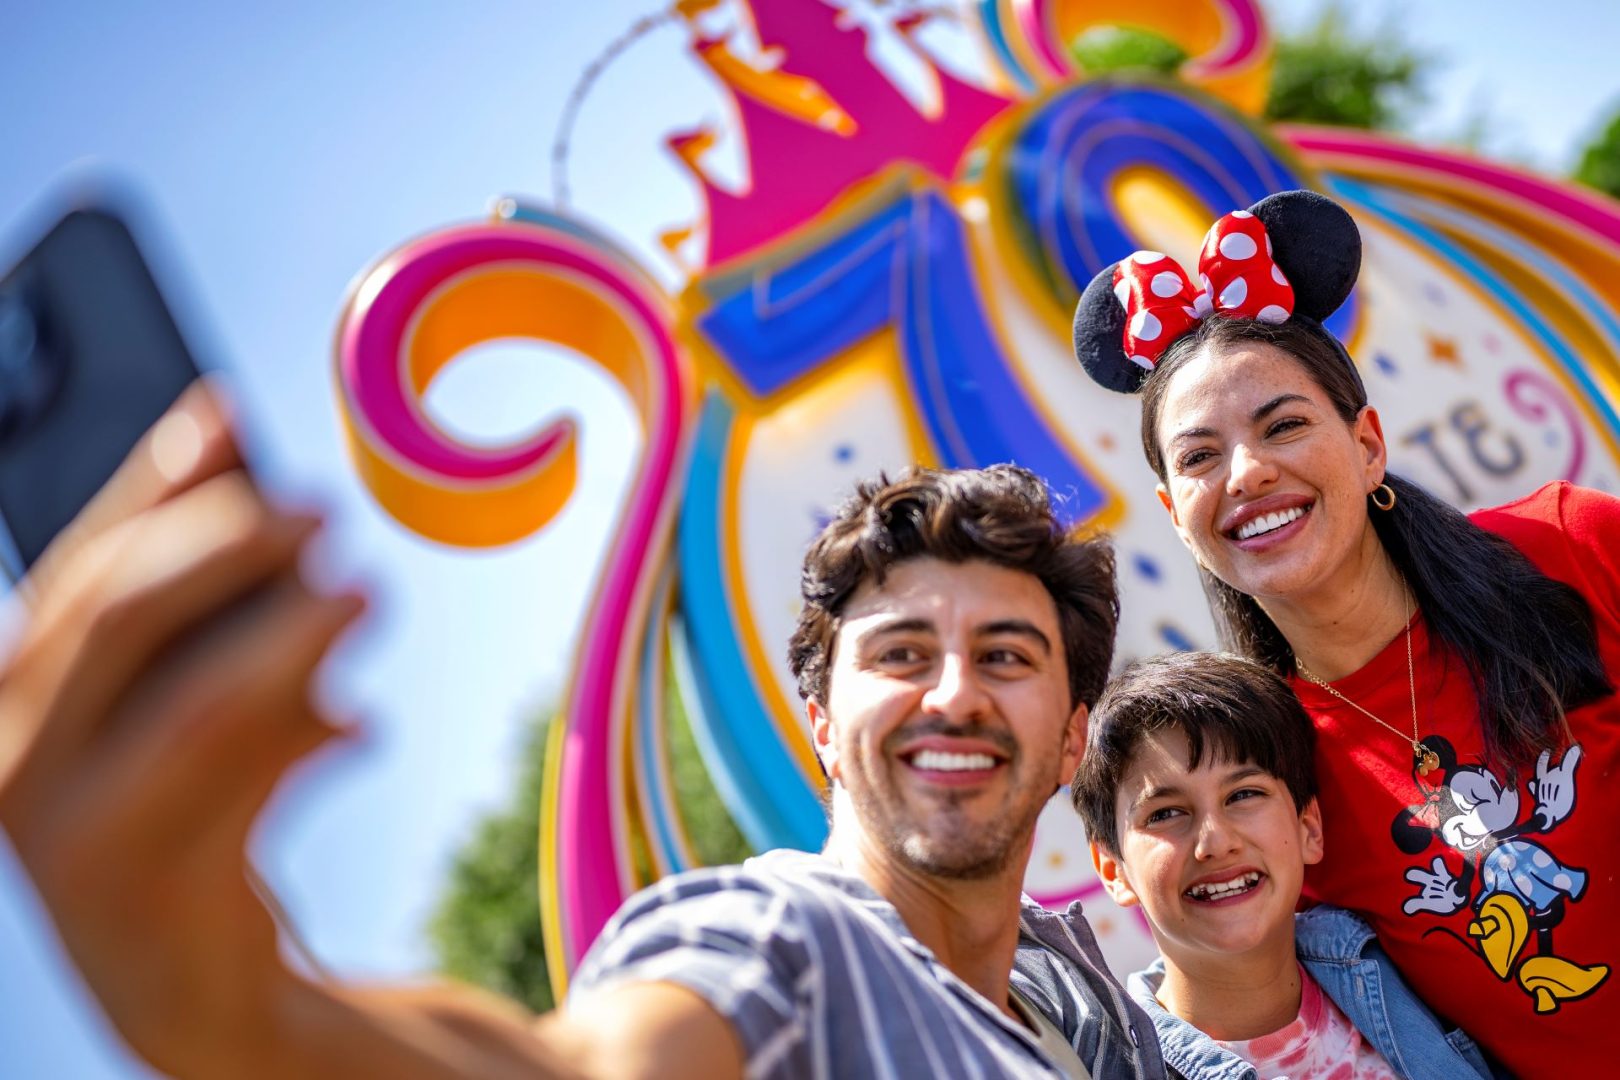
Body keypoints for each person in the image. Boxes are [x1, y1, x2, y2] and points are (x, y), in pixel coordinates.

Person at [0, 392, 1164, 1079]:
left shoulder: (1089, 999)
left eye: (1007, 657)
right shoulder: (779, 942)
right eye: (901, 655)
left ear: (1072, 742)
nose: (954, 693)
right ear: (821, 723)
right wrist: (241, 1013)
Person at [1074, 188, 1620, 1077]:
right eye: (1200, 456)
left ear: (1367, 445)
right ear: (1177, 515)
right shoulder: (1273, 771)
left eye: (1284, 425)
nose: (1248, 473)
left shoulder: (1571, 545)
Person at [1073, 651, 1493, 1080]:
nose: (1216, 843)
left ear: (1309, 827)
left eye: (1243, 795)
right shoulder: (1106, 1068)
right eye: (1164, 813)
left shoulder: (1412, 970)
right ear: (1112, 868)